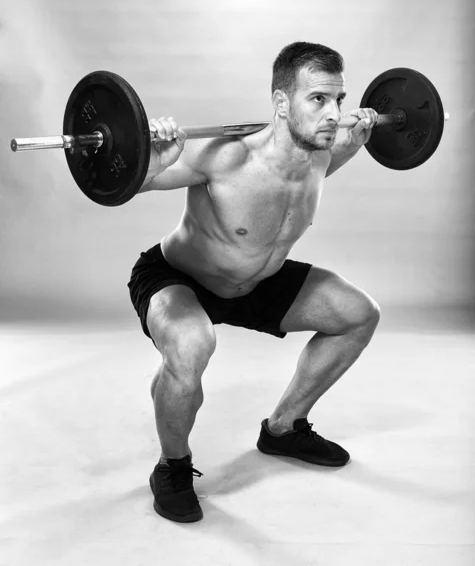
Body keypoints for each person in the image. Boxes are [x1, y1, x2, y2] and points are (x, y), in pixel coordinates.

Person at [128, 41, 380, 523]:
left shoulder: (323, 155)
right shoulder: (225, 156)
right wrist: (151, 161)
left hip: (256, 283)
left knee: (358, 314)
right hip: (181, 277)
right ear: (282, 104)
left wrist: (373, 125)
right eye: (318, 100)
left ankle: (283, 428)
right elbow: (123, 183)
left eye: (340, 101)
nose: (334, 114)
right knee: (192, 345)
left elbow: (357, 135)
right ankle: (173, 465)